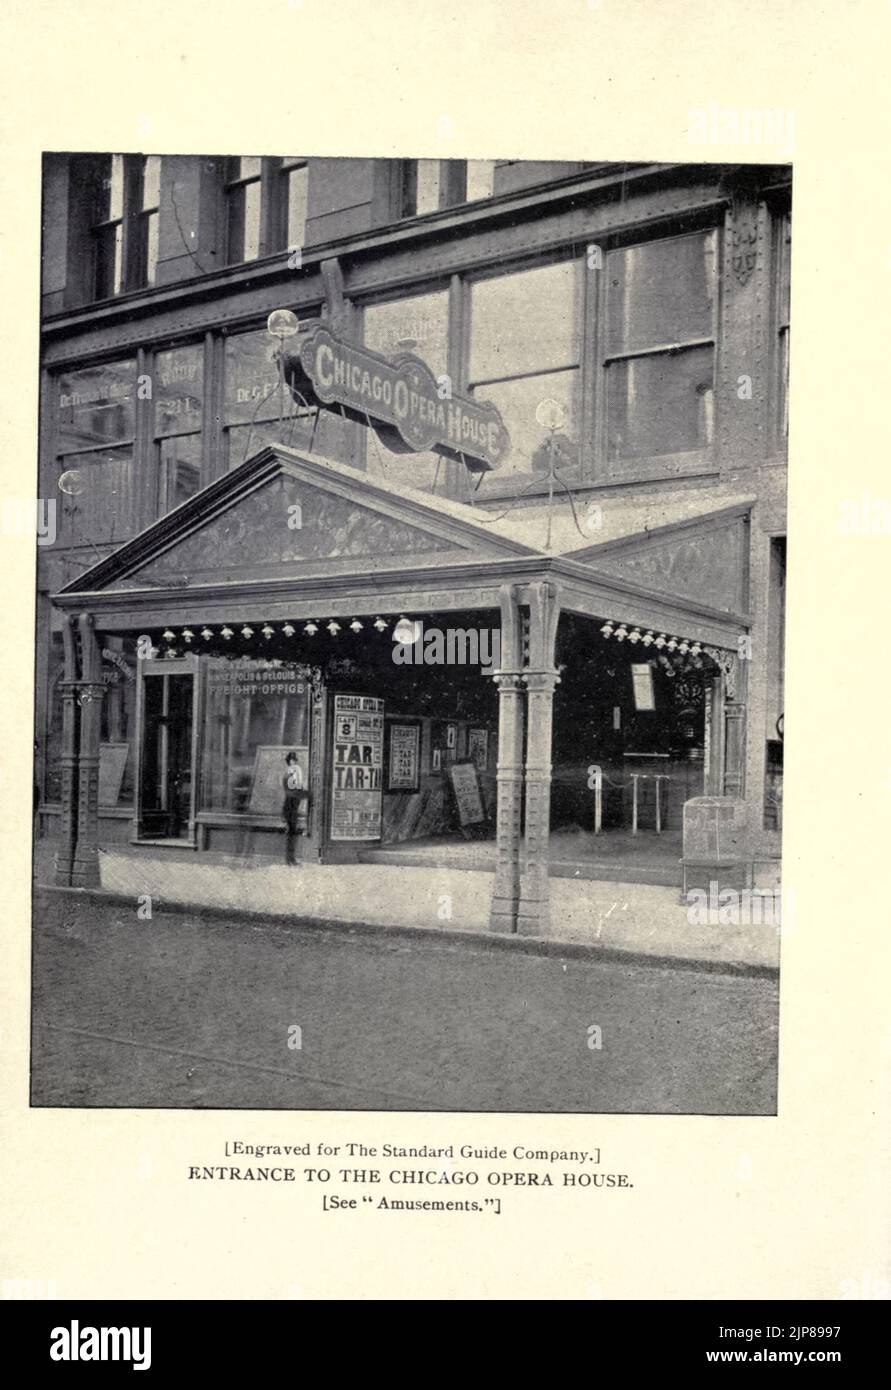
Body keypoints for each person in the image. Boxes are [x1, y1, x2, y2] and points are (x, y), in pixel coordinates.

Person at [281, 751, 306, 866]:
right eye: (292, 760)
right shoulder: (291, 776)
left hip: (291, 809)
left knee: (292, 834)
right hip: (290, 809)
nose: (293, 762)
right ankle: (290, 859)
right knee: (291, 834)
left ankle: (290, 859)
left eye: (294, 760)